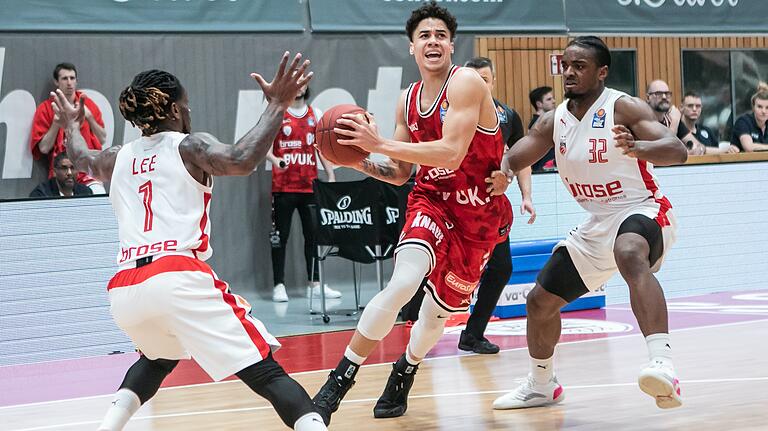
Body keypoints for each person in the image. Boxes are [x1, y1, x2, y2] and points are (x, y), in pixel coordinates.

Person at [52, 52, 326, 431]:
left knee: (158, 358)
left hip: (125, 289)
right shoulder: (189, 146)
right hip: (175, 274)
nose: (190, 112)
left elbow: (79, 157)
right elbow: (243, 159)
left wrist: (69, 123)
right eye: (187, 105)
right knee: (265, 371)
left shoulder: (116, 157)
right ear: (177, 111)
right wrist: (278, 104)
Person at [312, 1, 507, 423]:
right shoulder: (408, 100)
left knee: (437, 315)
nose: (432, 41)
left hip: (477, 216)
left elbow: (452, 153)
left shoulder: (468, 82)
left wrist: (377, 143)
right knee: (403, 282)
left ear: (452, 46)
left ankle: (406, 368)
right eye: (424, 36)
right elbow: (400, 174)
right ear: (412, 48)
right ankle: (339, 380)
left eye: (440, 35)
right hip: (432, 200)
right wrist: (356, 161)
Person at [493, 36, 688, 411]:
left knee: (629, 250)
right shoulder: (553, 121)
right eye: (565, 65)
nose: (569, 72)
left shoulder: (623, 107)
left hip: (644, 209)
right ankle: (541, 384)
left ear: (601, 72)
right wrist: (502, 172)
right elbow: (517, 156)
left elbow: (677, 151)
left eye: (579, 66)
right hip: (598, 222)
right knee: (539, 301)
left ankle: (663, 364)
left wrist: (638, 148)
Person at [459, 56, 536, 354]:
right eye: (473, 79)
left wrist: (526, 196)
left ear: (494, 81)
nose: (479, 84)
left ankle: (472, 334)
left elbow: (522, 157)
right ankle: (416, 329)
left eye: (484, 79)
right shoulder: (450, 112)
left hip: (490, 206)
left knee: (501, 267)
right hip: (457, 203)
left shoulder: (507, 116)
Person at [265, 85, 340, 302]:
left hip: (309, 187)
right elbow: (265, 147)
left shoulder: (315, 114)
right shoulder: (279, 113)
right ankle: (278, 285)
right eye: (294, 82)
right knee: (280, 237)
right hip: (283, 188)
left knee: (313, 237)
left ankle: (315, 283)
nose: (297, 87)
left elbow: (320, 148)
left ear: (307, 86)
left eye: (302, 82)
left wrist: (330, 174)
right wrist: (275, 160)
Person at [30, 62, 107, 193]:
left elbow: (103, 139)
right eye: (64, 78)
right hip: (61, 175)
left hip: (88, 174)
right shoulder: (46, 108)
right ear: (56, 81)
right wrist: (56, 122)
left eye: (72, 78)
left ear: (77, 80)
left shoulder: (87, 104)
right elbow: (43, 148)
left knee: (98, 198)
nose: (69, 82)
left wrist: (89, 117)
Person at [646, 79, 705, 156]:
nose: (664, 97)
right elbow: (663, 151)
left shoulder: (670, 118)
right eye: (658, 93)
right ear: (648, 98)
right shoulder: (644, 120)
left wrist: (698, 149)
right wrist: (675, 121)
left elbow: (697, 145)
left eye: (667, 93)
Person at [29, 152, 94, 198]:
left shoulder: (85, 193)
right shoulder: (41, 194)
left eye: (73, 168)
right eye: (64, 168)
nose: (69, 173)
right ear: (54, 172)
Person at [730, 83, 768, 152]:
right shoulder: (743, 122)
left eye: (767, 108)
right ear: (753, 108)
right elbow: (749, 147)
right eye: (759, 107)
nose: (764, 111)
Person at [529, 86, 557, 172]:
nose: (554, 101)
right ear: (539, 104)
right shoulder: (536, 125)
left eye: (553, 98)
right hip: (543, 170)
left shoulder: (550, 121)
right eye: (549, 99)